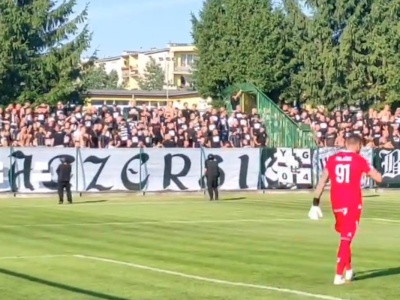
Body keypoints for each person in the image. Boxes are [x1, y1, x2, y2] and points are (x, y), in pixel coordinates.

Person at [308, 134, 382, 285]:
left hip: (336, 202)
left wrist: (315, 203)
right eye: (360, 146)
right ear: (357, 145)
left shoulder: (333, 159)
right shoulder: (359, 160)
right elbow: (378, 178)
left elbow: (322, 181)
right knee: (346, 238)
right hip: (352, 202)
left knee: (345, 235)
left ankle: (348, 270)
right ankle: (338, 274)